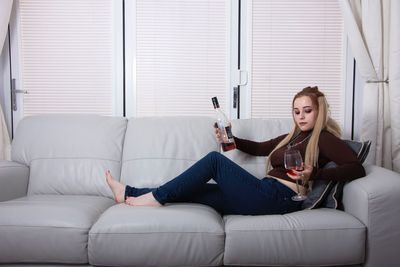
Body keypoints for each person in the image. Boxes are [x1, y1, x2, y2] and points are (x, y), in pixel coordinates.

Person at [106, 86, 365, 215]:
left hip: (278, 198)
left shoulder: (324, 139)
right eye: (297, 111)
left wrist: (315, 173)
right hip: (262, 193)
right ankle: (129, 194)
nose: (301, 117)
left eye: (307, 111)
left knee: (214, 161)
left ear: (319, 111)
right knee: (197, 191)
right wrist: (230, 139)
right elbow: (259, 148)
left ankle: (155, 198)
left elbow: (356, 168)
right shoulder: (292, 137)